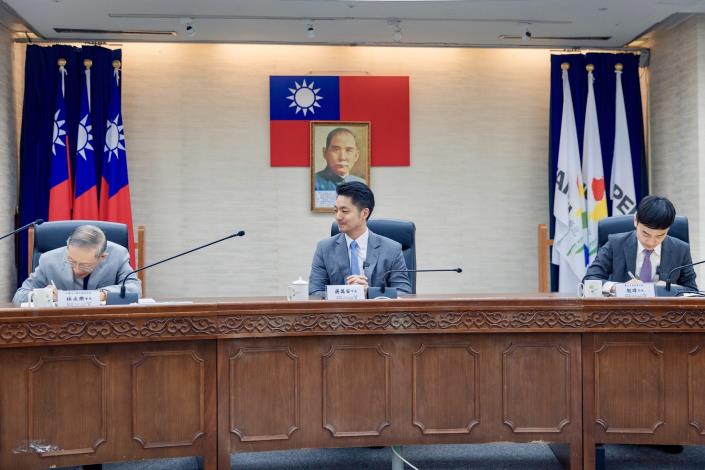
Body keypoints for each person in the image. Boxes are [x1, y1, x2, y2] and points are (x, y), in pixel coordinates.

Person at [309, 181, 411, 297]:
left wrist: (369, 292)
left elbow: (404, 293)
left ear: (364, 213)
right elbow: (314, 293)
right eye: (336, 210)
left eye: (344, 211)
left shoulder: (392, 249)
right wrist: (346, 293)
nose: (338, 217)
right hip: (338, 314)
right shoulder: (324, 248)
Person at [583, 195, 698, 293]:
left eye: (660, 236)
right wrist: (618, 287)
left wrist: (671, 288)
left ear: (668, 229)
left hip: (666, 315)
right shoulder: (615, 244)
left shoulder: (681, 249)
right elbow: (589, 280)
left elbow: (693, 291)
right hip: (622, 313)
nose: (651, 242)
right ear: (635, 221)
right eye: (646, 234)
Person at [13, 224, 141, 305]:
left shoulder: (118, 255)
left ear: (102, 257)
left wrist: (101, 295)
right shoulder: (48, 260)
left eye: (85, 265)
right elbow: (19, 296)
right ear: (67, 248)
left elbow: (134, 291)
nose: (77, 270)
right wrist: (43, 295)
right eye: (71, 261)